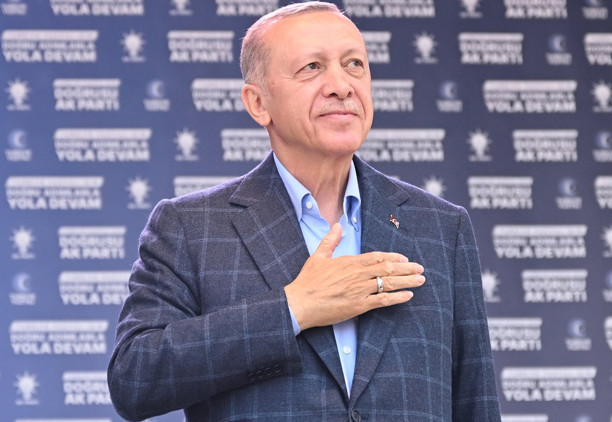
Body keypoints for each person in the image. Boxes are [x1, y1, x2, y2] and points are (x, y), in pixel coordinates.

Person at [107, 2, 501, 421]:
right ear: (258, 103)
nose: (341, 86)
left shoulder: (440, 226)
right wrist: (293, 309)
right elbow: (135, 379)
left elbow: (475, 402)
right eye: (312, 67)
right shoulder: (190, 227)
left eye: (354, 64)